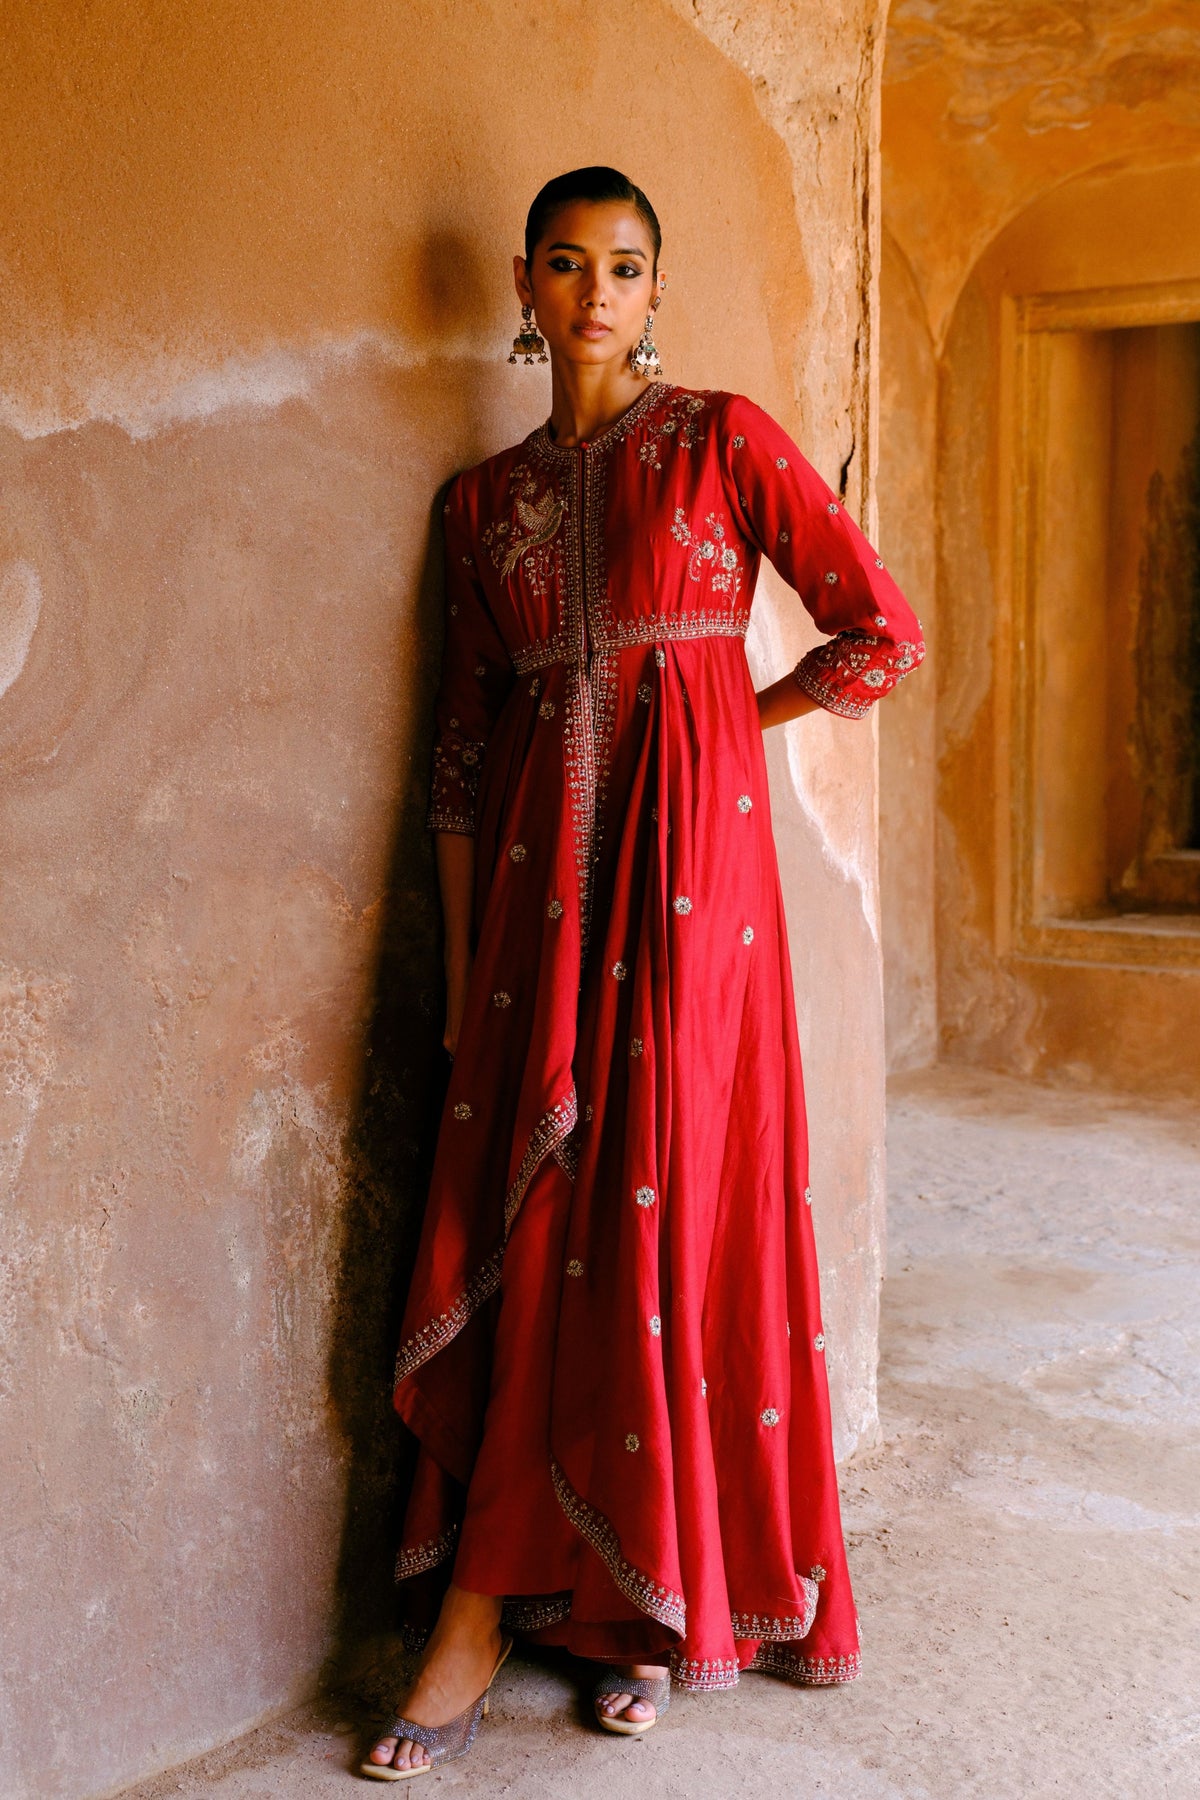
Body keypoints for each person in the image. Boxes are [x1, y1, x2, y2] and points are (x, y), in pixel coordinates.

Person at [361, 165, 925, 1781]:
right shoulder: (481, 507)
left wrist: (720, 732)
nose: (597, 289)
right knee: (545, 1206)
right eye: (565, 264)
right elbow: (462, 759)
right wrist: (472, 973)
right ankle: (530, 1603)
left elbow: (874, 630)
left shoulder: (725, 441)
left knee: (664, 1205)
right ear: (527, 297)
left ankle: (635, 1606)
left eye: (625, 265)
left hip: (699, 903)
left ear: (655, 290)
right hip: (539, 916)